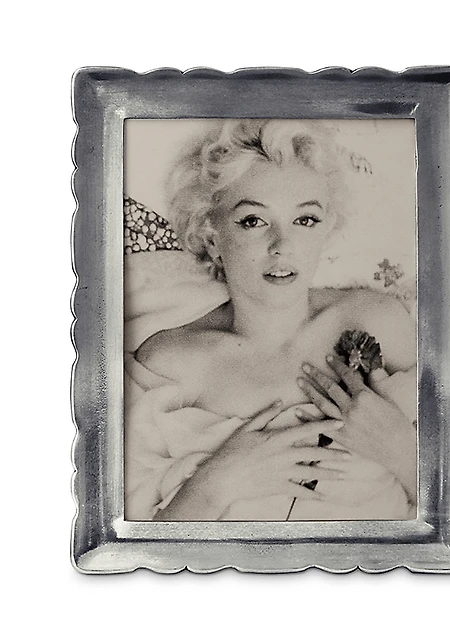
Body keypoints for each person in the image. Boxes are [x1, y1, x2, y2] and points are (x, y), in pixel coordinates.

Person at [124, 119, 417, 521]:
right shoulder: (168, 362)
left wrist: (402, 450)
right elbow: (131, 544)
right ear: (211, 236)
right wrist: (216, 483)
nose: (282, 245)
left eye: (305, 219)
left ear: (328, 228)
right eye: (253, 221)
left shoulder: (378, 321)